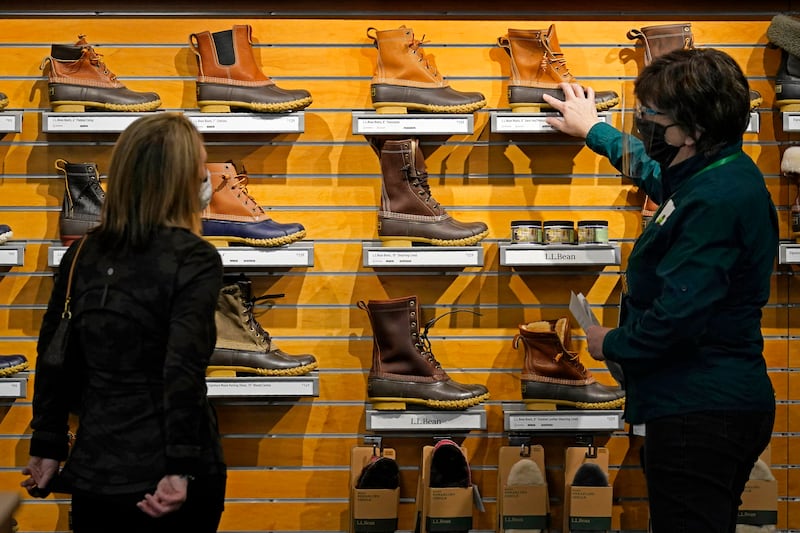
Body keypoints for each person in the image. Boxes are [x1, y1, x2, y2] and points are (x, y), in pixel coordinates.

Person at [543, 48, 778, 532]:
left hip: (701, 412)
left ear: (692, 130)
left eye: (652, 116)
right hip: (708, 402)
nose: (644, 124)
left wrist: (611, 342)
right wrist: (595, 131)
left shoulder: (716, 201)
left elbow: (679, 316)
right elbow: (659, 175)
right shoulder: (716, 171)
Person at [22, 113, 226, 533]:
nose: (206, 177)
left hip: (97, 466)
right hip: (165, 469)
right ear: (180, 179)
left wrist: (47, 443)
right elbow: (183, 368)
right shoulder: (194, 257)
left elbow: (54, 355)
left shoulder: (83, 253)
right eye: (201, 166)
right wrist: (180, 466)